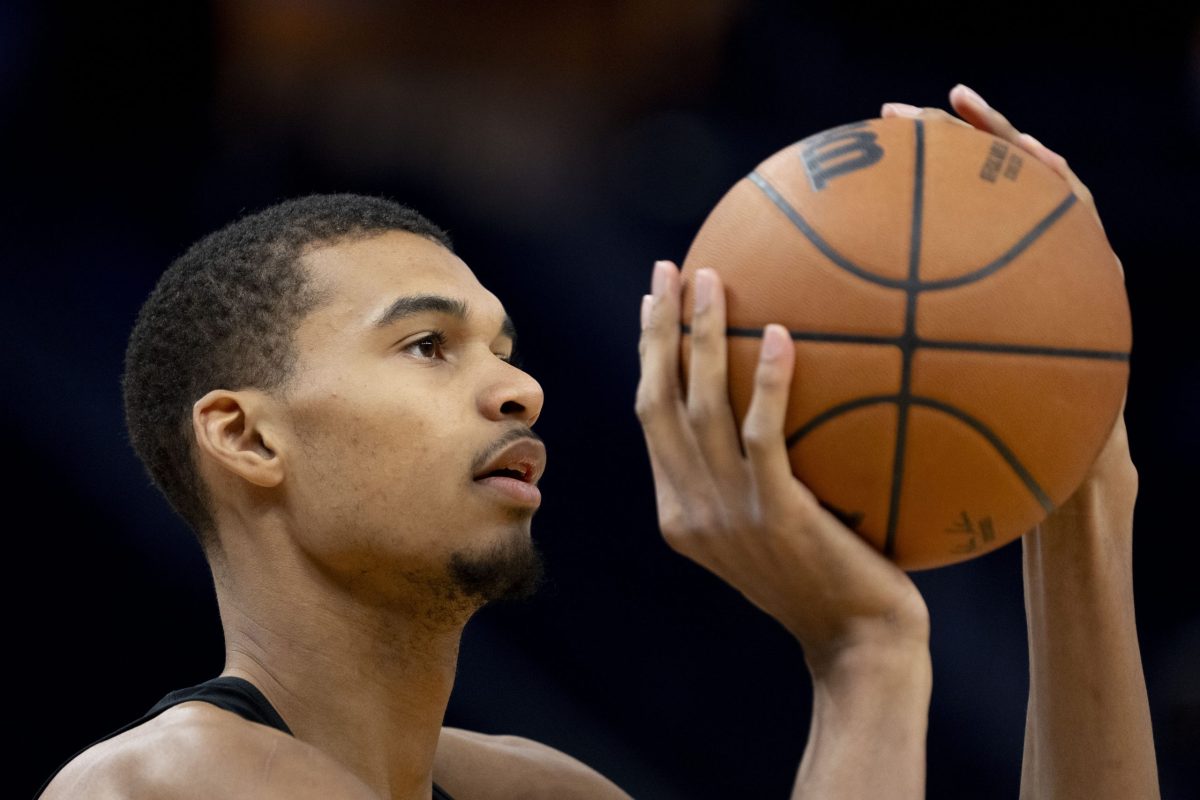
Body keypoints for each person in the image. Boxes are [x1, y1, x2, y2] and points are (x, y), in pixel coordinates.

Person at [36, 85, 1157, 799]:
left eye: (506, 348)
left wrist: (1077, 501)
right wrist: (864, 656)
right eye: (428, 346)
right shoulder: (164, 783)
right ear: (245, 434)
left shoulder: (547, 788)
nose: (518, 387)